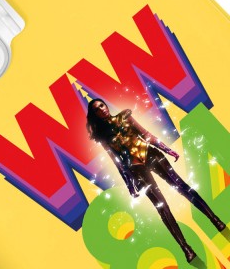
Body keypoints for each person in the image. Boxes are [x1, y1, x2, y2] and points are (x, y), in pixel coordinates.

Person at [86, 98, 226, 263]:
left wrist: (166, 149)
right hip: (136, 170)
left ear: (105, 105)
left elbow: (146, 134)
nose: (101, 109)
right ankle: (186, 248)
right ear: (95, 115)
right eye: (96, 109)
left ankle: (215, 219)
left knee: (181, 186)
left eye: (101, 105)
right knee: (162, 207)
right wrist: (130, 184)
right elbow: (118, 162)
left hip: (152, 155)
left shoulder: (125, 116)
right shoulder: (103, 138)